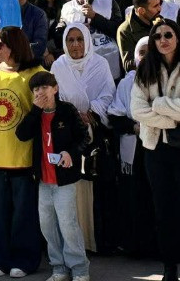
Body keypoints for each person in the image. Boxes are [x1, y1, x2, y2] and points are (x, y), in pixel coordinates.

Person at [132, 17, 180, 281]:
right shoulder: (145, 69)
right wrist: (173, 120)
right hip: (155, 149)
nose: (162, 40)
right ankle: (170, 267)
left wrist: (160, 105)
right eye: (157, 36)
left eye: (168, 35)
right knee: (164, 211)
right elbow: (137, 110)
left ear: (177, 37)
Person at [0, 26, 46, 277]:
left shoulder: (36, 73)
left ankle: (25, 260)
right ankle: (1, 258)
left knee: (23, 213)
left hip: (22, 155)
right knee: (0, 212)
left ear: (14, 46)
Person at [16, 71, 92, 281]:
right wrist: (35, 111)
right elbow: (22, 135)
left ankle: (79, 269)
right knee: (48, 226)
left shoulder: (67, 110)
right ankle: (58, 268)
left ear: (55, 88)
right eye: (36, 89)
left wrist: (71, 153)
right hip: (43, 180)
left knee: (68, 224)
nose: (41, 92)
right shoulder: (35, 113)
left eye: (45, 87)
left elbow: (84, 138)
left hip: (64, 179)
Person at [50, 22, 116, 252]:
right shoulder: (58, 66)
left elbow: (109, 95)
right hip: (66, 134)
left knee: (92, 190)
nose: (76, 44)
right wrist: (72, 115)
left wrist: (91, 112)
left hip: (94, 135)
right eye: (71, 40)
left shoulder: (100, 64)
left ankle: (93, 242)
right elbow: (53, 99)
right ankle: (71, 244)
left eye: (80, 39)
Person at [105, 38, 157, 258]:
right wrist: (134, 126)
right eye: (141, 52)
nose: (144, 57)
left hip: (157, 147)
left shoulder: (163, 79)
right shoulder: (127, 83)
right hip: (133, 148)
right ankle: (136, 246)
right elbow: (114, 115)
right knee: (134, 198)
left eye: (149, 52)